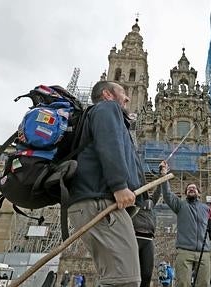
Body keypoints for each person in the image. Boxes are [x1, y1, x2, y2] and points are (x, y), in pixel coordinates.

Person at [67, 81, 142, 287]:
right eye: (123, 92)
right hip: (100, 201)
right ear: (108, 95)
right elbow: (109, 143)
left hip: (97, 202)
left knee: (115, 278)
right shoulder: (107, 109)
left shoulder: (101, 114)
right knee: (124, 281)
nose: (127, 98)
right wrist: (119, 185)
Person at [158, 160, 211, 287]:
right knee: (183, 283)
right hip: (184, 251)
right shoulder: (180, 205)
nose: (191, 189)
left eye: (194, 188)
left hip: (204, 251)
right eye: (189, 188)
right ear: (185, 193)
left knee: (204, 284)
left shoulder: (206, 209)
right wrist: (164, 175)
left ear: (199, 193)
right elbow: (167, 195)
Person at [132, 186, 161, 287]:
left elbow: (158, 192)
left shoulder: (150, 203)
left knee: (147, 274)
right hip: (134, 238)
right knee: (132, 274)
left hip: (148, 239)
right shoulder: (132, 201)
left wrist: (162, 175)